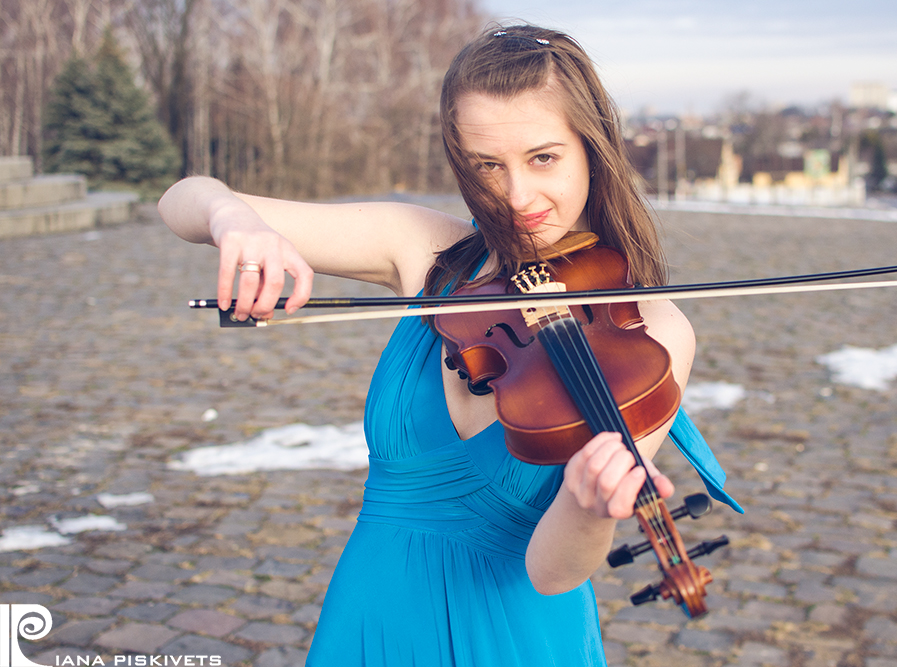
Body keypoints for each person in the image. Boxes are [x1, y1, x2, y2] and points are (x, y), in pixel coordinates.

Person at [158, 24, 740, 667]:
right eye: (487, 165)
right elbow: (182, 199)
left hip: (515, 637)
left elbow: (553, 572)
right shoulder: (426, 253)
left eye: (543, 158)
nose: (517, 197)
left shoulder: (651, 337)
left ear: (592, 149)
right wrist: (234, 219)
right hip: (372, 619)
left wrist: (588, 504)